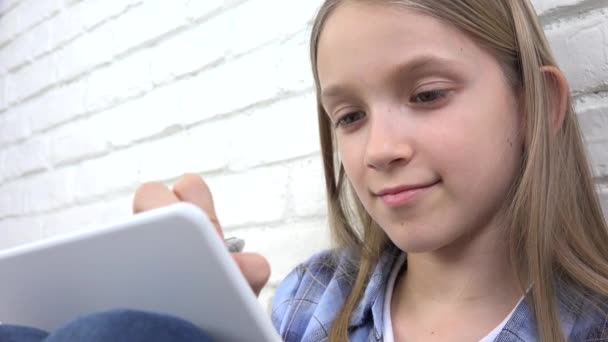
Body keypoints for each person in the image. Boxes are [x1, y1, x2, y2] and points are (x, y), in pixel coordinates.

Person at [2, 0, 607, 341]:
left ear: (537, 106)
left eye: (426, 95)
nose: (379, 150)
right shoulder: (313, 298)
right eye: (349, 116)